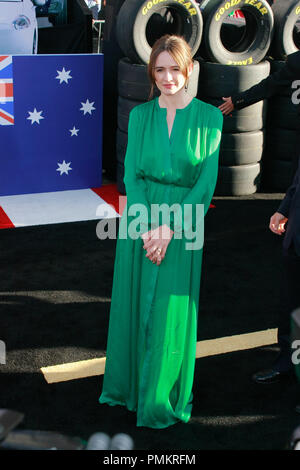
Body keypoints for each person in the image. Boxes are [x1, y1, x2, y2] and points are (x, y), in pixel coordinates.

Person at [99, 35, 223, 428]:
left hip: (184, 225)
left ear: (189, 70)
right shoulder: (140, 116)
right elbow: (131, 177)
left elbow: (205, 186)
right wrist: (149, 226)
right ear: (152, 72)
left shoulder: (211, 118)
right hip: (140, 218)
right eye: (160, 69)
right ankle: (128, 389)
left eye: (175, 68)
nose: (168, 77)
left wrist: (169, 228)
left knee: (170, 312)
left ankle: (159, 398)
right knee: (134, 305)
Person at [219, 51, 300, 384]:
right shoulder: (297, 63)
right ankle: (287, 360)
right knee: (291, 293)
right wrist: (285, 207)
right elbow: (271, 84)